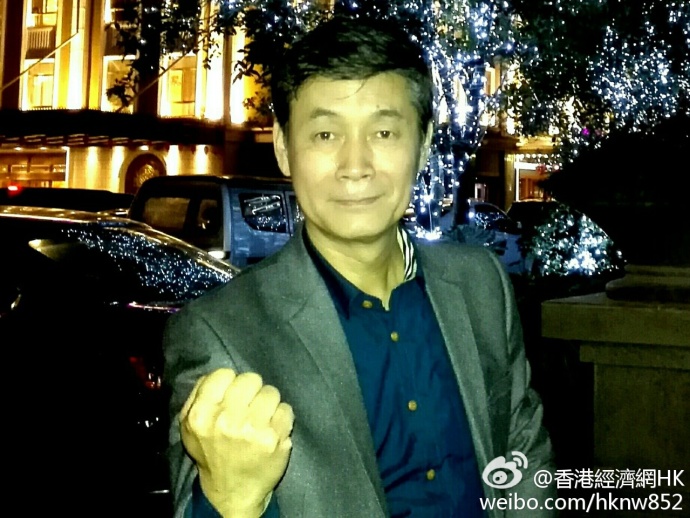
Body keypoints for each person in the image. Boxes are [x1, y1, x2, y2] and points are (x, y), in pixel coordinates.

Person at [163, 14, 556, 518]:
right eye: (326, 134)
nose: (356, 166)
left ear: (423, 144)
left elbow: (523, 452)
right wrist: (230, 497)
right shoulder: (220, 332)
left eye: (384, 132)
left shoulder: (481, 283)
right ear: (283, 147)